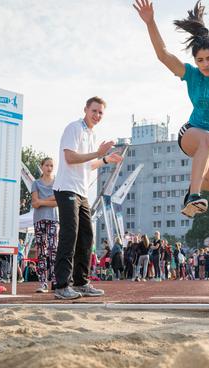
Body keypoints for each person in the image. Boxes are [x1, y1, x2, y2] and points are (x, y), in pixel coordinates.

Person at [134, 0, 209, 218]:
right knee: (207, 141)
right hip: (193, 132)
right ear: (195, 61)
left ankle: (193, 188)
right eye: (200, 60)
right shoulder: (192, 75)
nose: (205, 64)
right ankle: (194, 196)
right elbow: (164, 55)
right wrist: (150, 22)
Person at [52, 96, 123, 299]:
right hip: (66, 188)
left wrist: (106, 159)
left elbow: (88, 165)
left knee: (86, 237)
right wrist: (97, 153)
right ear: (85, 109)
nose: (97, 115)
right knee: (70, 235)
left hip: (81, 191)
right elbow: (70, 158)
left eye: (101, 112)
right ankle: (61, 285)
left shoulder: (92, 134)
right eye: (94, 111)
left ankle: (81, 282)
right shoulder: (74, 128)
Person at [32, 157, 59, 293]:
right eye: (47, 165)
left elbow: (56, 202)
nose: (49, 168)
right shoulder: (36, 183)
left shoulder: (57, 183)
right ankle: (43, 282)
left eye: (52, 165)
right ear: (42, 166)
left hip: (53, 219)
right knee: (41, 251)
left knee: (53, 249)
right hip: (39, 220)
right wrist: (48, 200)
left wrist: (42, 201)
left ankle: (54, 280)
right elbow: (34, 203)